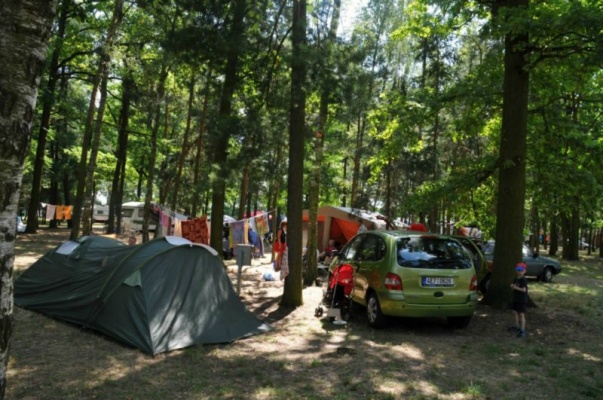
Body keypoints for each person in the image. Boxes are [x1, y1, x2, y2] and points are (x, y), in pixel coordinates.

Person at [509, 262, 529, 337]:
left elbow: (524, 290)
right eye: (518, 270)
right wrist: (512, 286)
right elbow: (514, 288)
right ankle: (517, 326)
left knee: (521, 314)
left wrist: (515, 287)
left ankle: (522, 330)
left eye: (521, 270)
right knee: (514, 312)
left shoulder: (523, 280)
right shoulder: (516, 279)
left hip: (522, 300)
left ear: (524, 271)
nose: (519, 272)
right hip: (516, 299)